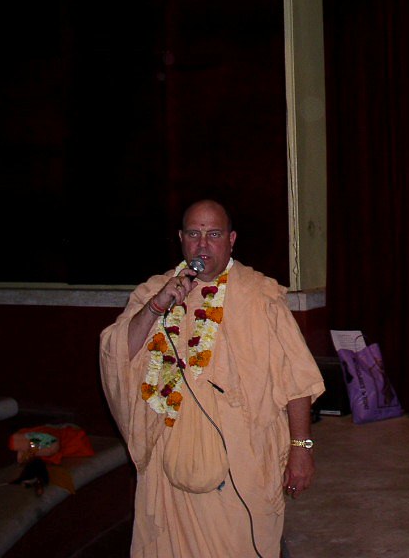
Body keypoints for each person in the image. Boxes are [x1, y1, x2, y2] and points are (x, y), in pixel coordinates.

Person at [100, 199, 324, 557]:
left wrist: (302, 449)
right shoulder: (154, 291)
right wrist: (157, 306)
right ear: (181, 238)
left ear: (231, 240)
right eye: (194, 234)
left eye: (214, 234)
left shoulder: (260, 296)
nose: (202, 244)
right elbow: (116, 353)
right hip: (168, 468)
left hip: (241, 465)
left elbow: (297, 381)